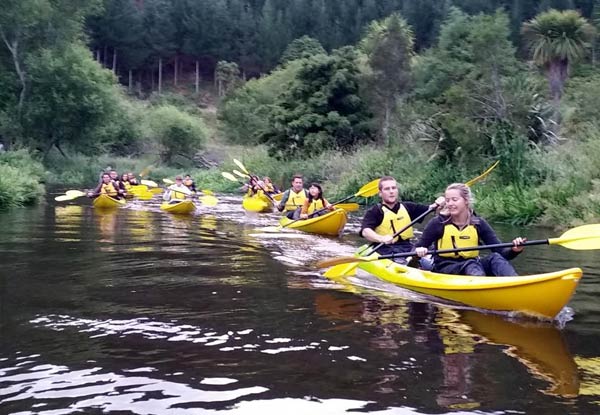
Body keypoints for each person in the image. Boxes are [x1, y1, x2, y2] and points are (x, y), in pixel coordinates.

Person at [415, 183, 526, 276]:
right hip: (445, 268)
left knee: (495, 258)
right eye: (448, 200)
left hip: (472, 267)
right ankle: (482, 288)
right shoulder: (438, 223)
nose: (450, 204)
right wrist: (419, 251)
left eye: (454, 200)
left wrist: (515, 250)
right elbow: (415, 249)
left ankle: (516, 283)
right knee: (470, 265)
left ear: (466, 201)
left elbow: (501, 252)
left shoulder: (478, 223)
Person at [360, 176, 445, 264]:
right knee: (401, 261)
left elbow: (431, 209)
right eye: (387, 189)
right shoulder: (375, 211)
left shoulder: (408, 207)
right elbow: (365, 231)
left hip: (407, 246)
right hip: (384, 248)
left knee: (431, 252)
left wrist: (439, 203)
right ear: (380, 193)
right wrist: (381, 238)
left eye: (394, 188)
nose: (391, 191)